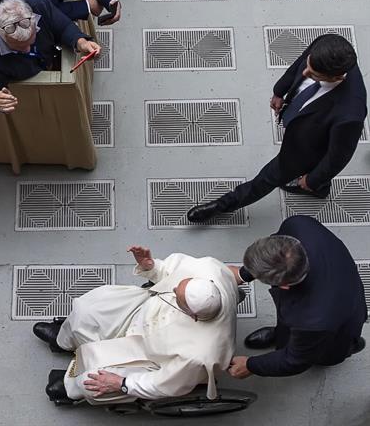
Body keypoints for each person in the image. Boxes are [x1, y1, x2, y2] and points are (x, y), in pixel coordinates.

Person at [187, 34, 367, 222]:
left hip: (304, 150)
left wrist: (312, 180)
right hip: (302, 124)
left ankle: (222, 205)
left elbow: (338, 157)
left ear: (336, 76)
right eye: (309, 65)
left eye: (314, 75)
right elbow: (299, 64)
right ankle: (320, 188)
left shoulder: (350, 115)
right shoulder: (326, 45)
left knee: (265, 180)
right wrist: (280, 91)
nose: (305, 73)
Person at [33, 245, 238, 404]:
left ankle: (72, 388)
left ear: (193, 315)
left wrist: (122, 383)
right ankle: (65, 340)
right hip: (143, 309)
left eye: (177, 295)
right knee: (87, 310)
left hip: (150, 354)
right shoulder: (208, 269)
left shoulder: (201, 356)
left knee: (93, 380)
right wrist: (152, 267)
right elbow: (168, 271)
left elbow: (162, 384)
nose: (174, 289)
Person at [227, 216, 366, 379]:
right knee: (289, 329)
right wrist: (244, 274)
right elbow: (273, 252)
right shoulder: (299, 225)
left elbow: (295, 361)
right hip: (339, 279)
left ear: (284, 286)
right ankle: (281, 336)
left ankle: (349, 346)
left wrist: (250, 365)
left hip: (337, 317)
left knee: (327, 352)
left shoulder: (313, 319)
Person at [0, 0, 99, 111]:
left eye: (31, 41)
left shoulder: (39, 4)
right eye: (18, 47)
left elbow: (63, 26)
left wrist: (82, 43)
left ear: (34, 19)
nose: (27, 50)